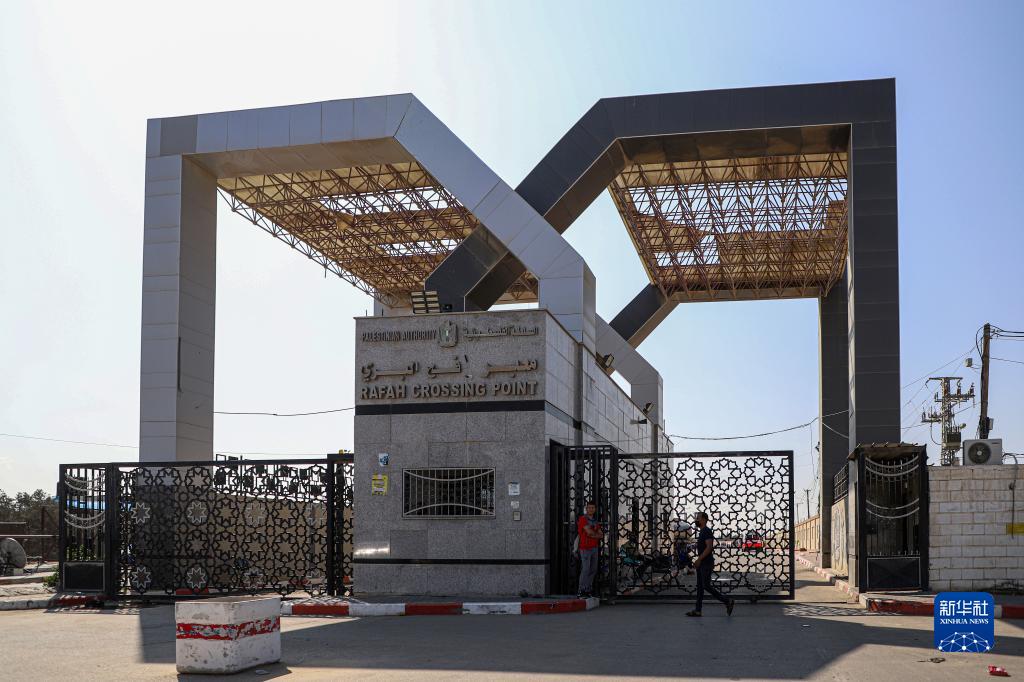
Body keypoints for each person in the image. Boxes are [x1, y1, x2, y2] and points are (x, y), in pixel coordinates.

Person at [686, 511, 735, 617]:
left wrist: (699, 560)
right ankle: (698, 610)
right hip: (702, 563)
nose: (696, 520)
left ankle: (727, 601)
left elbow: (709, 547)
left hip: (706, 563)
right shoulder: (702, 532)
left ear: (704, 519)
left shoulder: (707, 531)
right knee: (700, 587)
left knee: (706, 586)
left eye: (698, 518)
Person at [576, 500, 603, 598]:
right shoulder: (583, 519)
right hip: (585, 548)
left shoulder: (595, 521)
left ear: (595, 509)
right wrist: (595, 534)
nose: (591, 509)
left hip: (594, 548)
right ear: (586, 509)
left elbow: (601, 535)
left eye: (593, 508)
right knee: (586, 569)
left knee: (593, 569)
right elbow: (589, 532)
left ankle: (588, 589)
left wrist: (593, 534)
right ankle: (581, 590)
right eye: (589, 508)